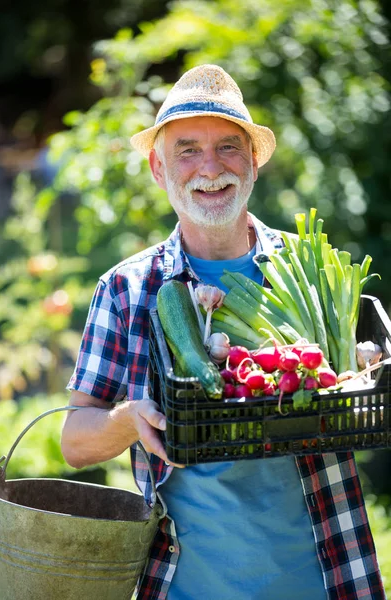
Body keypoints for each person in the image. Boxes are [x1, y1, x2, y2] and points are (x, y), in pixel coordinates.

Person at [61, 64, 385, 600]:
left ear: (254, 162)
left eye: (229, 147)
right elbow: (74, 440)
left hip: (325, 579)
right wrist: (127, 419)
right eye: (187, 150)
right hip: (185, 584)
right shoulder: (127, 290)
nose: (210, 168)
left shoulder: (311, 269)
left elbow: (355, 376)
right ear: (158, 169)